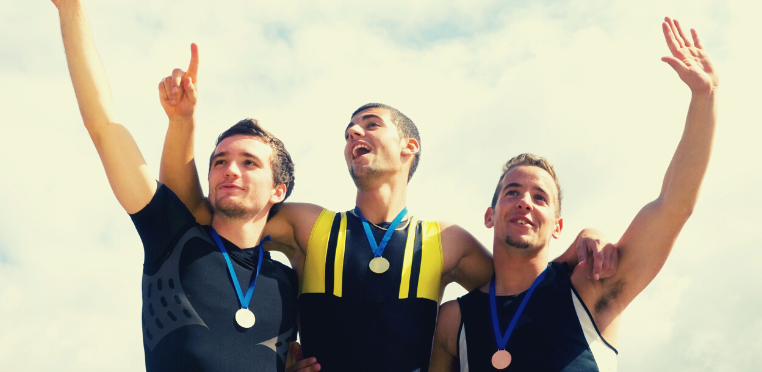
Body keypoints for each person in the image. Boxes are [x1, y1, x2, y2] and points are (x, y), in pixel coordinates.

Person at [159, 66, 618, 372]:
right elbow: (198, 214)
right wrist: (182, 125)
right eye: (348, 131)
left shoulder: (448, 242)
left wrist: (583, 242)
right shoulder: (309, 226)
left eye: (370, 124)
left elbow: (520, 289)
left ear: (408, 147)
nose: (355, 132)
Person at [429, 17, 718, 372]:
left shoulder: (592, 287)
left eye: (540, 197)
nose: (525, 202)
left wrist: (704, 99)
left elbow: (673, 205)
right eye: (513, 192)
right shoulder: (453, 320)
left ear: (557, 226)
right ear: (490, 215)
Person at [51, 1, 299, 371]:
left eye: (249, 162)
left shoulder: (288, 283)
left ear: (278, 190)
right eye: (219, 161)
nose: (230, 169)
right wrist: (70, 9)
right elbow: (104, 126)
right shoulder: (172, 235)